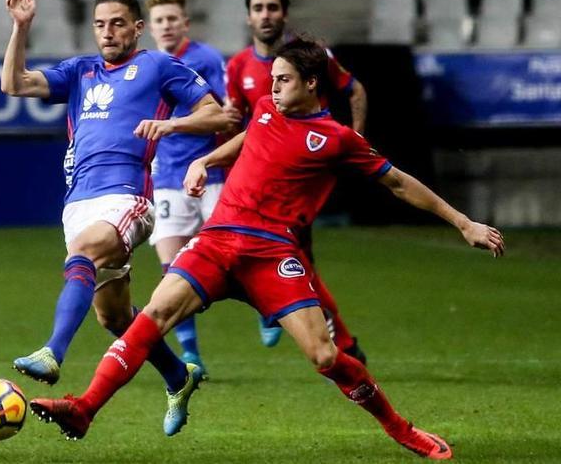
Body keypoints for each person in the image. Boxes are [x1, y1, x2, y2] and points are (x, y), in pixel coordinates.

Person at [29, 38, 505, 460]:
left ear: (312, 83)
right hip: (217, 240)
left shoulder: (337, 139)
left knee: (323, 356)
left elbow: (398, 183)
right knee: (153, 315)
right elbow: (249, 135)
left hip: (273, 254)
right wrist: (207, 159)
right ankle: (85, 408)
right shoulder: (264, 109)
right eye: (272, 78)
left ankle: (402, 430)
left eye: (283, 80)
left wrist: (464, 224)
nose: (273, 88)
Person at [0, 0, 232, 435]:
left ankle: (52, 353)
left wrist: (171, 126)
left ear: (138, 28)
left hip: (129, 197)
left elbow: (219, 114)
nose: (108, 32)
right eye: (100, 25)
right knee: (116, 317)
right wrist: (21, 27)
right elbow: (14, 83)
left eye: (118, 24)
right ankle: (178, 375)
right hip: (79, 201)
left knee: (84, 253)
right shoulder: (80, 71)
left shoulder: (158, 65)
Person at [225, 0, 369, 356]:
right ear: (249, 17)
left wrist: (355, 142)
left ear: (284, 14)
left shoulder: (312, 59)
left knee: (297, 261)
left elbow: (356, 91)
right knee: (293, 264)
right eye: (258, 7)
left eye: (273, 7)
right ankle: (341, 345)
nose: (266, 14)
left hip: (301, 174)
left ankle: (338, 345)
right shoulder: (239, 65)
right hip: (256, 187)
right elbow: (240, 125)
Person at [144, 0, 226, 376]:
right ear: (150, 26)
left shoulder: (206, 59)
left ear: (185, 23)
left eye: (172, 18)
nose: (166, 25)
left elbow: (224, 117)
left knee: (234, 259)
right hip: (166, 176)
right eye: (159, 20)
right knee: (173, 269)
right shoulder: (146, 65)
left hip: (211, 173)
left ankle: (268, 313)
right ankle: (191, 353)